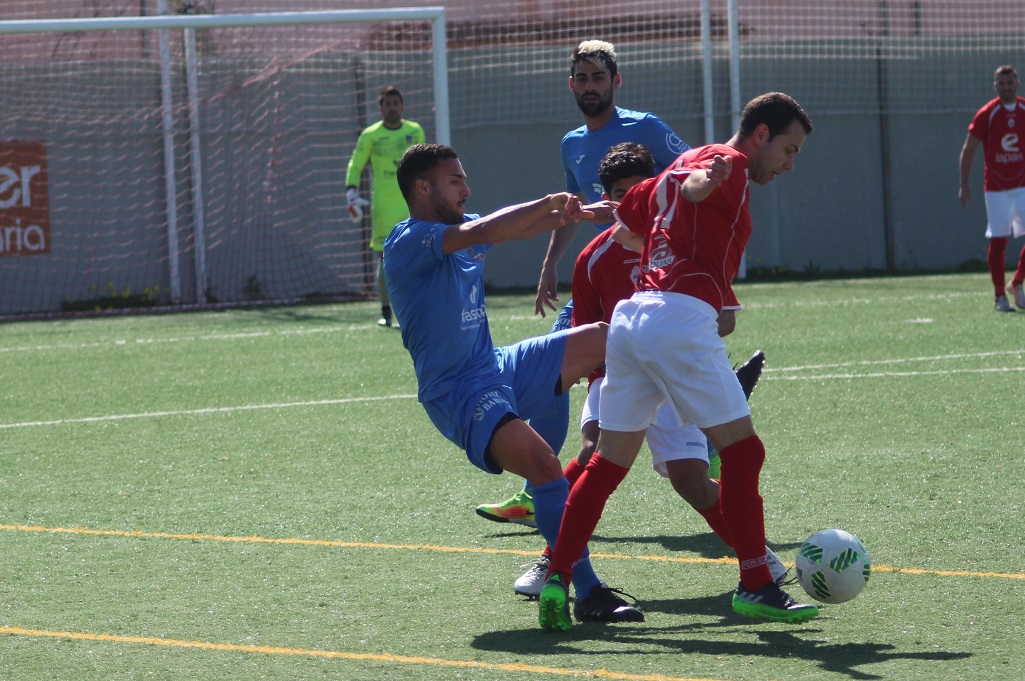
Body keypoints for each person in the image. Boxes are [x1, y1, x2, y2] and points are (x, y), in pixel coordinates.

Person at [538, 93, 820, 632]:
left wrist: (668, 210)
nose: (789, 164)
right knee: (744, 452)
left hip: (632, 319)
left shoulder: (676, 166)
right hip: (679, 319)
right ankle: (756, 583)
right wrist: (701, 186)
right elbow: (694, 186)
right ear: (760, 134)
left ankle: (557, 576)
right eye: (789, 149)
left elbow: (628, 226)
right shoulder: (726, 163)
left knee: (606, 465)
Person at [384, 143, 643, 624]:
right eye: (455, 180)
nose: (466, 188)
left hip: (496, 366)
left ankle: (681, 405)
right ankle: (587, 591)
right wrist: (548, 201)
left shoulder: (458, 230)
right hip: (459, 393)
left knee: (605, 337)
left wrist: (578, 213)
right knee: (544, 466)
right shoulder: (409, 239)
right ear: (422, 187)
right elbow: (488, 229)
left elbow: (513, 228)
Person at [512, 143, 782, 601]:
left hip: (674, 368)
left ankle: (756, 558)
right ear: (609, 198)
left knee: (691, 480)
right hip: (619, 365)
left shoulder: (685, 242)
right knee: (595, 450)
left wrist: (676, 334)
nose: (633, 203)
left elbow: (725, 318)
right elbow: (588, 336)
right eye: (621, 195)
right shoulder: (593, 257)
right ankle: (553, 558)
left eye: (639, 190)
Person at [474, 39, 691, 527]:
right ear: (571, 85)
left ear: (617, 81)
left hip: (651, 277)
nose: (590, 86)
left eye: (599, 78)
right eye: (583, 79)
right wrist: (550, 263)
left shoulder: (646, 128)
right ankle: (539, 488)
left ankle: (544, 491)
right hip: (602, 276)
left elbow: (694, 175)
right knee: (556, 370)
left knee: (606, 387)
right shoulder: (571, 143)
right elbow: (575, 209)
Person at [345, 85, 426, 326]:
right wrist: (351, 190)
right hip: (383, 207)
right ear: (380, 108)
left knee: (418, 255)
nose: (392, 108)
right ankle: (386, 311)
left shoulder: (415, 131)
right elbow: (355, 164)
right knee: (385, 258)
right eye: (387, 104)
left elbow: (425, 165)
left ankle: (416, 307)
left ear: (402, 106)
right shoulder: (370, 135)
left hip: (412, 204)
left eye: (395, 103)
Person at [959, 65, 1025, 312]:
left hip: (1023, 186)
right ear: (995, 86)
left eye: (1010, 83)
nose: (1006, 87)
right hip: (996, 189)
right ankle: (999, 296)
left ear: (1017, 83)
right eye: (1001, 83)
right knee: (998, 242)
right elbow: (969, 149)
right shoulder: (987, 113)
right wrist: (964, 184)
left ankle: (1016, 282)